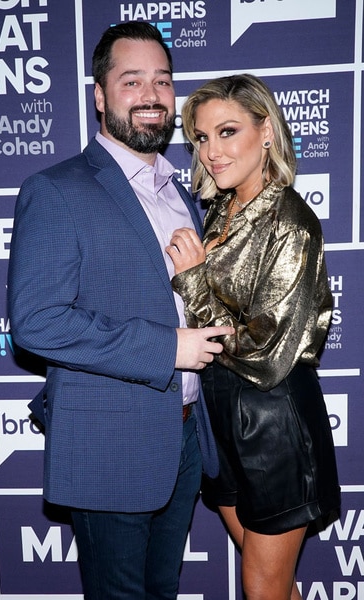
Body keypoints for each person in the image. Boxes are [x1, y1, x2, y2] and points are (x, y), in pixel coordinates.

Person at [7, 22, 234, 600]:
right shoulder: (56, 189)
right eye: (131, 81)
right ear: (100, 96)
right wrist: (168, 346)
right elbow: (36, 323)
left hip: (183, 440)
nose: (152, 95)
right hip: (109, 443)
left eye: (162, 81)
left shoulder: (182, 193)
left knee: (162, 590)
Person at [166, 74, 340, 600]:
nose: (212, 152)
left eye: (227, 131)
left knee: (262, 587)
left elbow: (267, 351)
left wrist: (194, 280)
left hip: (272, 421)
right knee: (273, 585)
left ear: (266, 131)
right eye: (200, 137)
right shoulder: (221, 208)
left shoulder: (291, 222)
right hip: (219, 422)